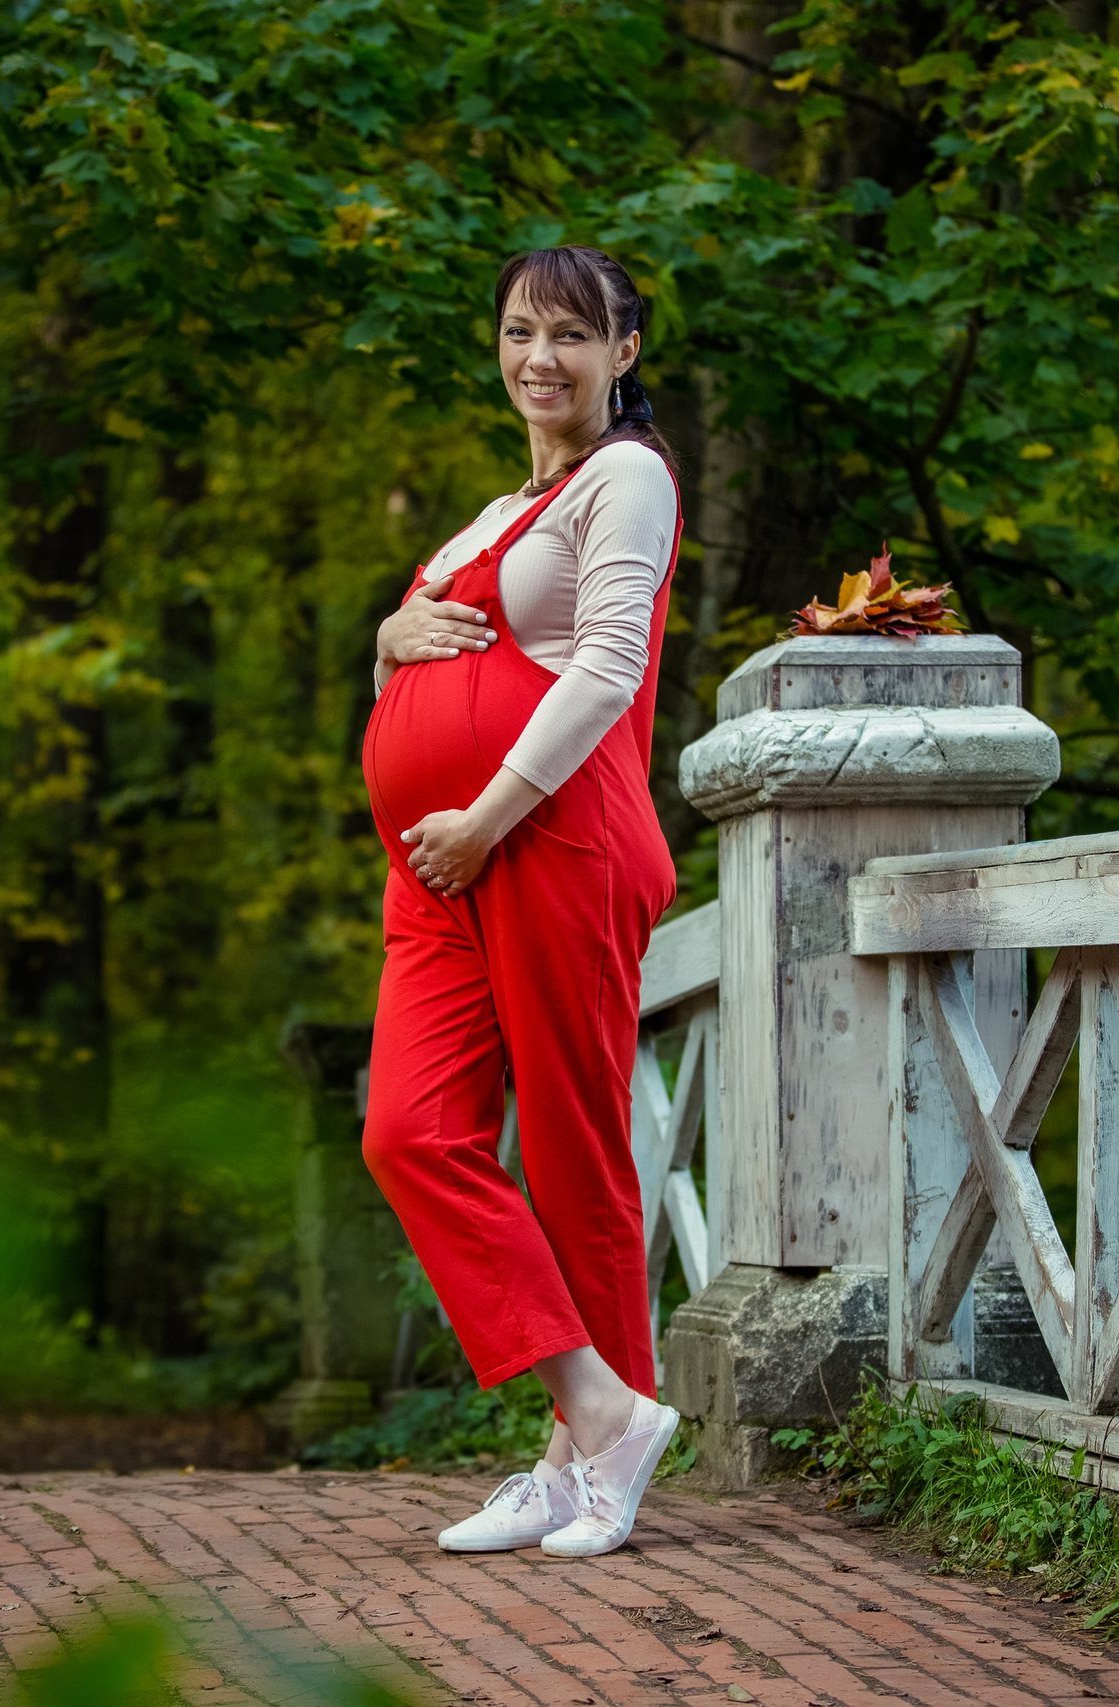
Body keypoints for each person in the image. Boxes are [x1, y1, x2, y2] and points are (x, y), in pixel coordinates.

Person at [358, 245, 684, 1559]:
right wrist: (388, 645)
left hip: (551, 840)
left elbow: (607, 665)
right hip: (438, 868)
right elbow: (430, 659)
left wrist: (487, 816)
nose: (538, 358)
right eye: (517, 332)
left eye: (569, 334)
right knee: (409, 1132)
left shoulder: (629, 477)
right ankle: (600, 1414)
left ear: (623, 352)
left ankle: (577, 1464)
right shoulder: (495, 510)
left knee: (571, 1151)